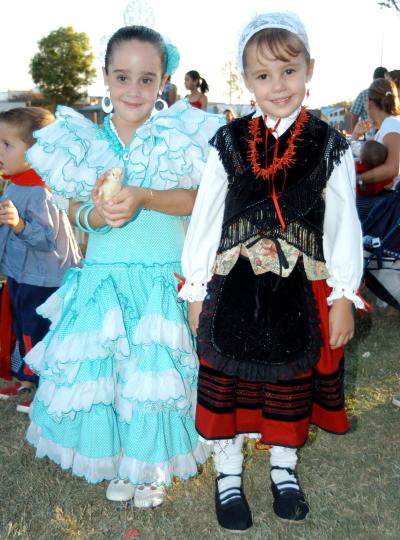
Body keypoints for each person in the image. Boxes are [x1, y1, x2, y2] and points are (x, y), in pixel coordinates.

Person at [178, 11, 364, 532]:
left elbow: (344, 222)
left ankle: (284, 469)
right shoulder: (229, 140)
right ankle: (229, 473)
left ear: (310, 69)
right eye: (263, 75)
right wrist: (195, 286)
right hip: (233, 283)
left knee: (289, 380)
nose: (277, 85)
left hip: (300, 287)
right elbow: (207, 216)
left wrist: (343, 293)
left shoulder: (332, 146)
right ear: (246, 80)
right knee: (228, 381)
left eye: (288, 71)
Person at [23, 26, 223, 508]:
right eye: (122, 77)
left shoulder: (180, 135)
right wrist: (93, 214)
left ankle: (149, 466)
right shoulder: (83, 141)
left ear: (163, 81)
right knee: (110, 372)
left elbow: (201, 200)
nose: (133, 91)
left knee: (154, 375)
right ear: (107, 77)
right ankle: (116, 457)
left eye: (147, 79)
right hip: (105, 278)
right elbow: (73, 207)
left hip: (161, 278)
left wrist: (148, 197)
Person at [0, 107, 81, 412]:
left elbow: (46, 239)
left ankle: (47, 389)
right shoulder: (15, 182)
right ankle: (26, 379)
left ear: (36, 151)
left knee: (39, 332)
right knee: (21, 327)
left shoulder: (40, 190)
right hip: (21, 274)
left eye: (8, 145)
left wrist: (19, 224)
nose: (0, 151)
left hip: (45, 279)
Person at [352, 79, 400, 192]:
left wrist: (358, 179)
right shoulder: (388, 125)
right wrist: (355, 135)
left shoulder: (390, 124)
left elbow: (393, 168)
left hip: (391, 200)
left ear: (369, 102)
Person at [350, 66, 388, 131]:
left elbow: (354, 115)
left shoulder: (363, 94)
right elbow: (354, 115)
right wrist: (355, 133)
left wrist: (355, 134)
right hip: (372, 132)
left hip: (375, 132)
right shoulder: (363, 94)